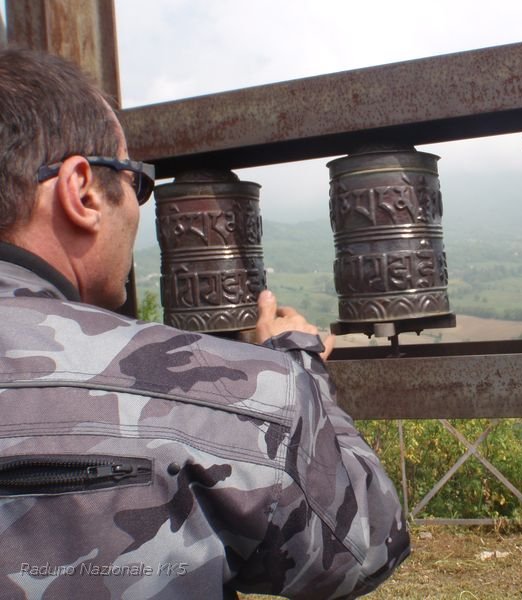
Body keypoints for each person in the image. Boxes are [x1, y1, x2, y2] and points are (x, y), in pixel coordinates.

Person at [0, 48, 409, 599]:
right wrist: (298, 371)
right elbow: (365, 543)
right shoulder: (217, 397)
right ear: (83, 192)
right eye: (139, 182)